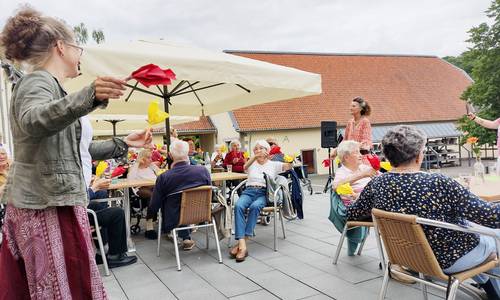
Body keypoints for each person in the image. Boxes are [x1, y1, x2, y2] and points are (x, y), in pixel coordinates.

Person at [0, 8, 152, 299]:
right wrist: (90, 95)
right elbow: (33, 120)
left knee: (66, 286)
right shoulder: (37, 81)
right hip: (43, 204)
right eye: (77, 47)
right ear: (60, 46)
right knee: (57, 290)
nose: (80, 54)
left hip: (54, 200)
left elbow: (73, 149)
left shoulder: (53, 89)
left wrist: (123, 144)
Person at [347, 125, 500, 299]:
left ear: (388, 156)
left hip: (409, 258)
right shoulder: (438, 182)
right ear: (419, 155)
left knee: (474, 230)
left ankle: (490, 289)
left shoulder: (377, 184)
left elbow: (352, 213)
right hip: (449, 259)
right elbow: (492, 217)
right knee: (495, 234)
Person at [230, 140, 291, 262]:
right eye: (255, 149)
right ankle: (243, 245)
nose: (257, 150)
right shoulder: (251, 163)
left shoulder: (273, 164)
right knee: (238, 206)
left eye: (260, 148)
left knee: (255, 207)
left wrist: (288, 158)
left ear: (266, 151)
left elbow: (289, 166)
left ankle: (241, 244)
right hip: (249, 191)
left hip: (264, 193)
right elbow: (244, 167)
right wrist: (254, 157)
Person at [148, 140, 211, 250]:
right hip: (202, 214)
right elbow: (211, 192)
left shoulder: (164, 177)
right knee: (182, 203)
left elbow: (154, 205)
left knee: (174, 203)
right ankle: (186, 237)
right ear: (187, 153)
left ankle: (178, 235)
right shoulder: (203, 171)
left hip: (174, 218)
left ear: (170, 155)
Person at [87, 177, 137, 268]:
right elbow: (79, 199)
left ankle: (101, 253)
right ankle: (115, 256)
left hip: (76, 211)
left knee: (96, 204)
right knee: (117, 213)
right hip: (76, 215)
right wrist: (94, 187)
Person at [128, 149, 160, 239]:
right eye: (148, 157)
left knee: (158, 194)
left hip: (154, 187)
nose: (151, 159)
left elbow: (161, 174)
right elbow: (130, 179)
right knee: (153, 195)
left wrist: (152, 165)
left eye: (151, 157)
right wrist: (137, 162)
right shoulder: (135, 168)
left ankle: (161, 221)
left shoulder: (150, 167)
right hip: (141, 188)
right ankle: (149, 225)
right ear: (142, 158)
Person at [332, 141, 377, 205]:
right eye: (356, 152)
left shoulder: (363, 167)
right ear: (346, 157)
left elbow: (380, 176)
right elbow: (335, 186)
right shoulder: (342, 172)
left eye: (359, 152)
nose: (360, 155)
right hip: (357, 207)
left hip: (371, 202)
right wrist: (362, 175)